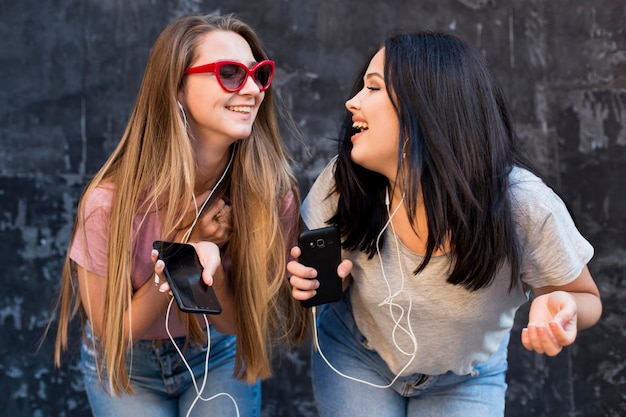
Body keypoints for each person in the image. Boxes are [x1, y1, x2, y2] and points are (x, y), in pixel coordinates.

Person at [287, 31, 602, 417]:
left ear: (427, 108)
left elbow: (588, 299)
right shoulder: (346, 180)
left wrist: (564, 304)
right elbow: (328, 279)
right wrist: (319, 282)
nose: (352, 102)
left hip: (467, 379)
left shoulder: (525, 205)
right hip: (356, 355)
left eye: (373, 88)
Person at [48, 12, 308, 417]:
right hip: (128, 363)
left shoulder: (270, 196)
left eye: (259, 74)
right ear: (177, 88)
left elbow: (239, 327)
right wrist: (180, 261)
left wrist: (214, 275)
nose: (253, 89)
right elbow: (115, 334)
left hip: (215, 352)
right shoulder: (108, 204)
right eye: (229, 72)